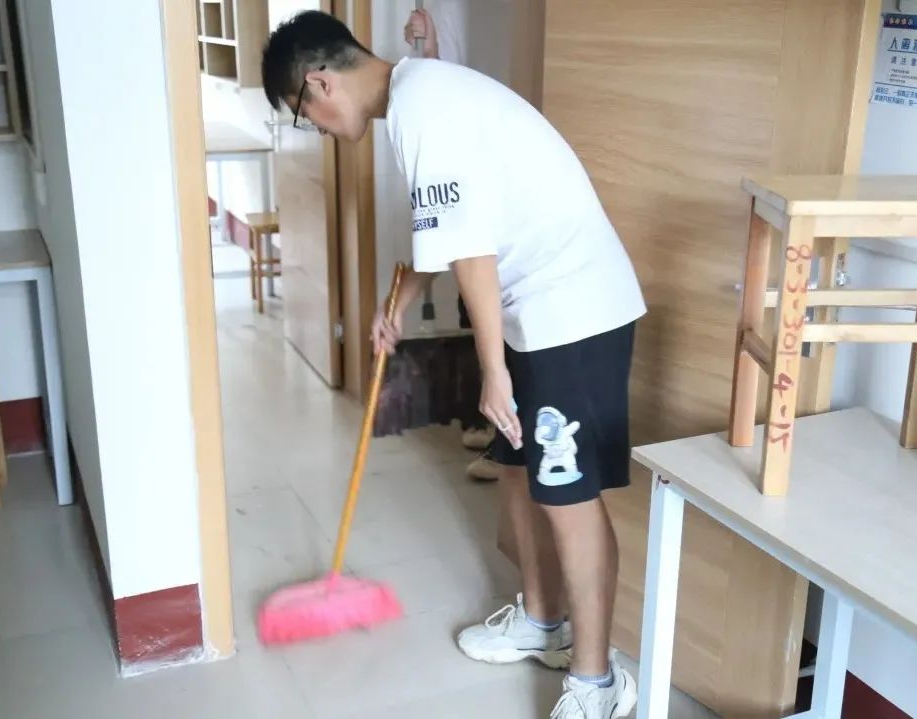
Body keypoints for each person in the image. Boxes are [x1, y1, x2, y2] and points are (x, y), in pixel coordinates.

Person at [262, 11, 646, 719]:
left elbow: (471, 249)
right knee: (516, 470)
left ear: (319, 82)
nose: (314, 127)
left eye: (301, 113)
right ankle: (541, 621)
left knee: (566, 492)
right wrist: (401, 305)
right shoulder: (419, 97)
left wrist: (491, 370)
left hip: (574, 311)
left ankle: (598, 682)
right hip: (533, 309)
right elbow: (447, 229)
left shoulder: (423, 109)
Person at [404, 3, 500, 481]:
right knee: (474, 310)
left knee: (499, 320)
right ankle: (492, 424)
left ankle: (506, 441)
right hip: (468, 165)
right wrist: (431, 46)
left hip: (491, 172)